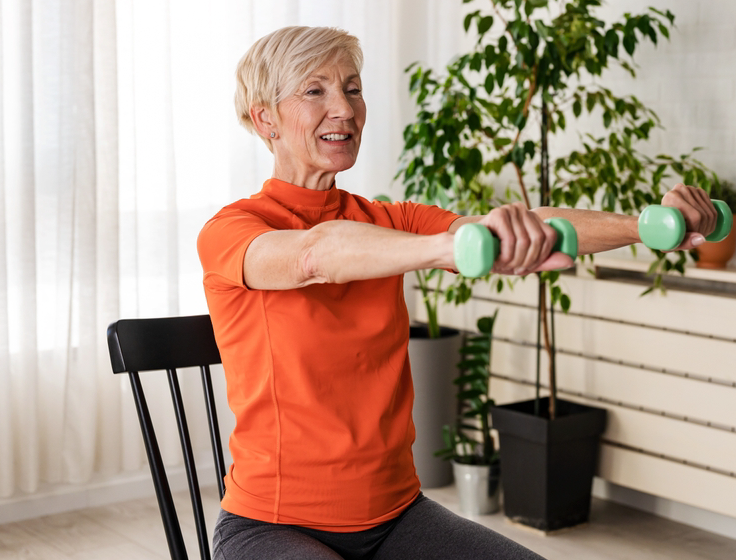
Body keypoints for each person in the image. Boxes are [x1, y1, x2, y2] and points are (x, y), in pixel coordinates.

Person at [197, 26, 717, 560]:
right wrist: (446, 249)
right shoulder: (235, 231)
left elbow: (521, 223)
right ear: (265, 119)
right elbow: (315, 256)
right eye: (316, 91)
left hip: (397, 516)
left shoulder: (387, 221)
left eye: (353, 89)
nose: (345, 110)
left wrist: (650, 226)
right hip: (272, 526)